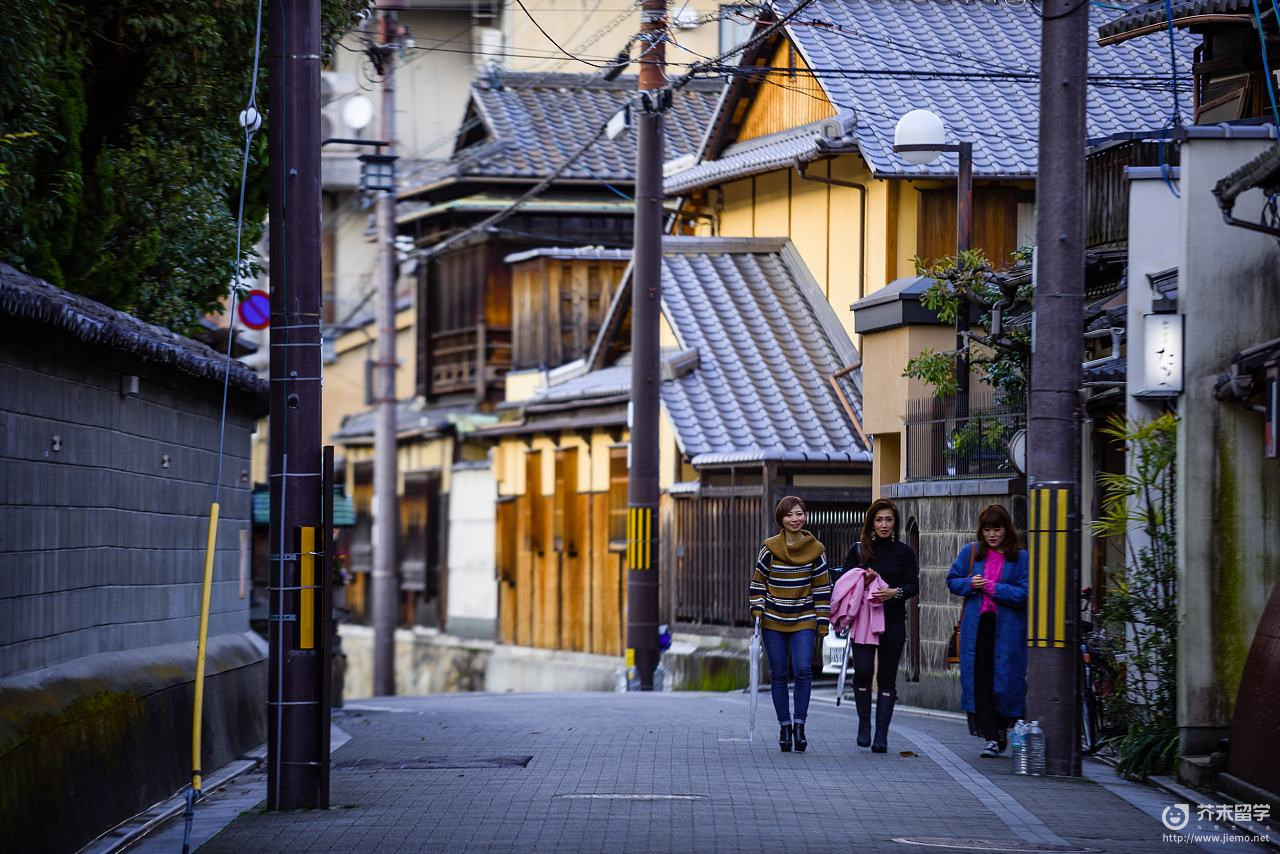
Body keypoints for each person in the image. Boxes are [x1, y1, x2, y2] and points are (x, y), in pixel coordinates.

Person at [748, 496, 832, 753]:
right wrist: (758, 607)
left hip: (803, 617)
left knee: (804, 669)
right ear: (781, 519)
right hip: (774, 618)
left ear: (805, 516)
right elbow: (757, 583)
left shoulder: (816, 550)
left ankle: (800, 725)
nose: (795, 519)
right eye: (789, 515)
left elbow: (822, 588)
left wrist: (822, 620)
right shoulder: (770, 549)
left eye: (799, 514)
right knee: (780, 673)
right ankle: (784, 726)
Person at [945, 503, 1029, 758]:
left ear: (1007, 530)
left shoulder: (1020, 557)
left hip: (1008, 630)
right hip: (977, 628)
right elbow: (952, 580)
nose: (992, 535)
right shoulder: (971, 553)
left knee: (1005, 681)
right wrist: (971, 583)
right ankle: (990, 737)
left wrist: (994, 588)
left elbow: (1024, 593)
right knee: (979, 681)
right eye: (987, 529)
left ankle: (1005, 728)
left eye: (997, 529)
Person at [840, 498, 919, 753]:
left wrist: (893, 593)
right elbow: (844, 584)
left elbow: (912, 586)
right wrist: (865, 582)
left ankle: (881, 734)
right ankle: (864, 724)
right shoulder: (858, 551)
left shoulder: (904, 552)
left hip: (893, 620)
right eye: (879, 520)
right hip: (864, 619)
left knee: (887, 677)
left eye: (888, 519)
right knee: (862, 671)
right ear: (871, 523)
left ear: (895, 523)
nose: (884, 525)